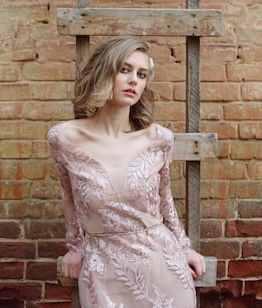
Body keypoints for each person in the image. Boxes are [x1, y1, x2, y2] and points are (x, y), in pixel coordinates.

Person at [47, 36, 206, 307]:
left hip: (161, 266)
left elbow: (165, 201)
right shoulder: (64, 138)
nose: (134, 80)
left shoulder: (159, 139)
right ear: (103, 71)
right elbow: (69, 198)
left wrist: (184, 247)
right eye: (125, 70)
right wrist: (74, 247)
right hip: (103, 270)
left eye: (141, 74)